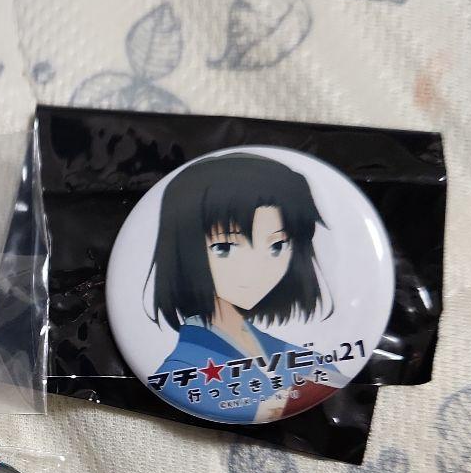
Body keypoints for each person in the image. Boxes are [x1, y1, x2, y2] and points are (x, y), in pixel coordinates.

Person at [147, 152, 346, 423]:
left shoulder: (303, 358)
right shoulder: (179, 373)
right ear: (183, 251)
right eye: (225, 247)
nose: (257, 268)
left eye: (277, 245)